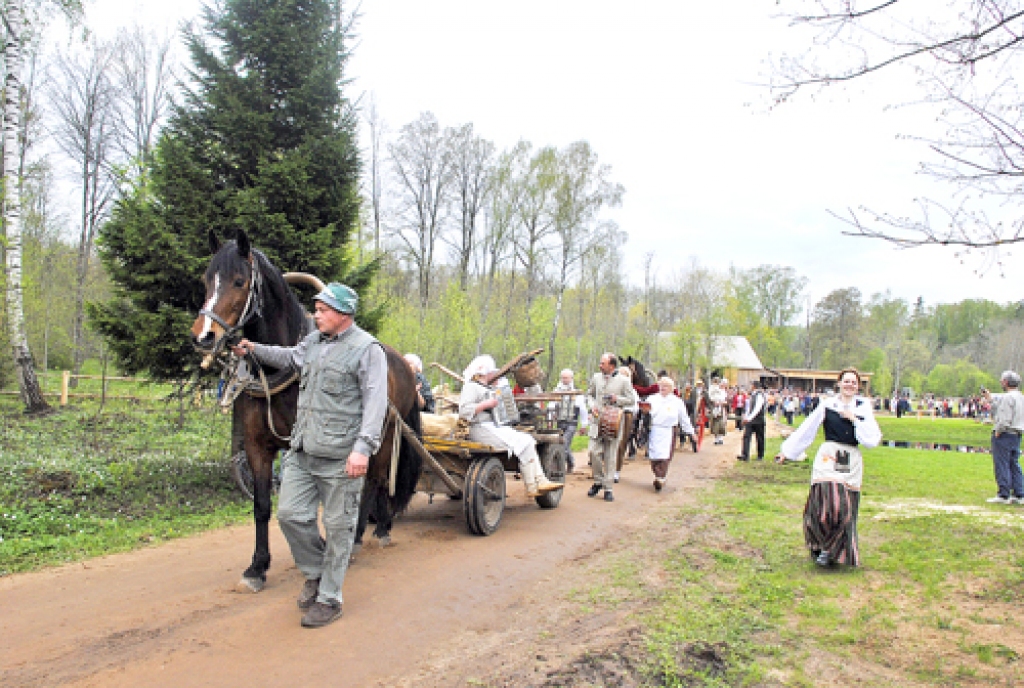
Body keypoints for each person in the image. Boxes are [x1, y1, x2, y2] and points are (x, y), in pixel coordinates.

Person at [231, 282, 385, 628]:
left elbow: (376, 404)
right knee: (289, 515)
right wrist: (253, 349)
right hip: (301, 448)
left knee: (338, 526)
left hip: (341, 455)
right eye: (316, 309)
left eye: (322, 310)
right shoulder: (314, 342)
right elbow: (288, 358)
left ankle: (330, 599)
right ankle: (315, 573)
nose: (315, 315)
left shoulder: (366, 349)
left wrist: (363, 449)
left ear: (343, 314)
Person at [775, 368, 881, 568]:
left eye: (854, 382)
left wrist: (854, 419)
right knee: (828, 501)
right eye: (846, 381)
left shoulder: (863, 407)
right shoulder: (828, 405)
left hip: (850, 458)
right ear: (839, 383)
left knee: (844, 507)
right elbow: (808, 428)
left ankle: (832, 549)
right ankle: (822, 545)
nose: (850, 385)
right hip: (829, 455)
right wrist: (787, 452)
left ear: (858, 386)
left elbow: (871, 439)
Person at [459, 355, 562, 498]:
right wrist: (486, 405)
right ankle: (533, 485)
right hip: (479, 429)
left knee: (528, 440)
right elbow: (464, 411)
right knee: (523, 442)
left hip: (491, 427)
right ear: (483, 372)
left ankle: (538, 482)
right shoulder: (471, 386)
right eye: (491, 372)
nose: (494, 374)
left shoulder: (486, 387)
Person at [587, 353, 634, 502]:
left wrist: (617, 399)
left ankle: (608, 488)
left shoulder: (624, 381)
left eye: (603, 363)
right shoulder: (595, 378)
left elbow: (631, 399)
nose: (600, 366)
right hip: (597, 420)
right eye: (600, 363)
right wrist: (592, 406)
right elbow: (589, 395)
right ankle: (598, 481)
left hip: (614, 421)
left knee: (610, 455)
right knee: (593, 452)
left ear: (611, 366)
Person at [983, 371, 1024, 504]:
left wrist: (998, 431)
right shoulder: (1020, 397)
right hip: (1017, 434)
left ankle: (1003, 494)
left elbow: (1003, 418)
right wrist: (991, 400)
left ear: (1006, 382)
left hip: (1005, 433)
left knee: (1002, 464)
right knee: (1014, 464)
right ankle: (1019, 493)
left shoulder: (1007, 398)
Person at [647, 376, 695, 491]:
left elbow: (684, 418)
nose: (662, 388)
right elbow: (645, 413)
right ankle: (658, 475)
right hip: (654, 430)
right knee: (654, 456)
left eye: (665, 386)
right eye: (661, 385)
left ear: (671, 388)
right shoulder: (651, 399)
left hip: (668, 430)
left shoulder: (677, 402)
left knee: (665, 456)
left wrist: (691, 432)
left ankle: (660, 478)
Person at [552, 368, 587, 474]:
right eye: (563, 377)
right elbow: (552, 404)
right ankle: (571, 462)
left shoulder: (577, 392)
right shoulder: (557, 390)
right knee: (561, 444)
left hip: (572, 422)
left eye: (566, 377)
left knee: (564, 444)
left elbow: (583, 409)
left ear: (571, 378)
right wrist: (552, 415)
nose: (564, 379)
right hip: (560, 421)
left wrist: (584, 425)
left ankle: (559, 469)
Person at [737, 380, 766, 461]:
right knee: (746, 436)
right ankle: (745, 455)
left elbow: (757, 408)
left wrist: (749, 418)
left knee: (759, 438)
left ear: (754, 386)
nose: (750, 387)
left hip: (759, 420)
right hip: (751, 420)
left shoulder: (760, 395)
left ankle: (760, 456)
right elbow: (748, 408)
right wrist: (746, 418)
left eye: (751, 385)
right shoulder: (752, 396)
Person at [708, 377, 728, 445]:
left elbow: (725, 400)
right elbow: (710, 397)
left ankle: (721, 438)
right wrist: (714, 402)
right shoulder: (712, 389)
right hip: (715, 407)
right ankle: (716, 439)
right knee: (715, 423)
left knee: (722, 424)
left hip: (721, 408)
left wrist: (722, 403)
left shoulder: (723, 391)